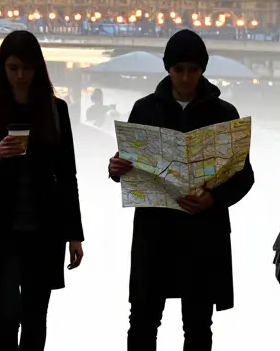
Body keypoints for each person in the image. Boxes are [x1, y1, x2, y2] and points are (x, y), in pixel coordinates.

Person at [107, 29, 256, 351]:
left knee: (199, 323)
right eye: (179, 70)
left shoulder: (224, 113)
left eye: (193, 69)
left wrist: (214, 198)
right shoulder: (144, 109)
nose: (186, 77)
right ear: (167, 69)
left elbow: (244, 176)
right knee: (144, 319)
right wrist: (116, 170)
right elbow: (129, 168)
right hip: (155, 232)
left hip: (203, 232)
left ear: (203, 69)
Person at [0, 30, 85, 350]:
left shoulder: (55, 110)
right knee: (5, 316)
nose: (20, 75)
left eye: (26, 69)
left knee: (33, 317)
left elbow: (67, 174)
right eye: (13, 67)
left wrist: (75, 234)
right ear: (2, 68)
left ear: (37, 70)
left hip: (44, 229)